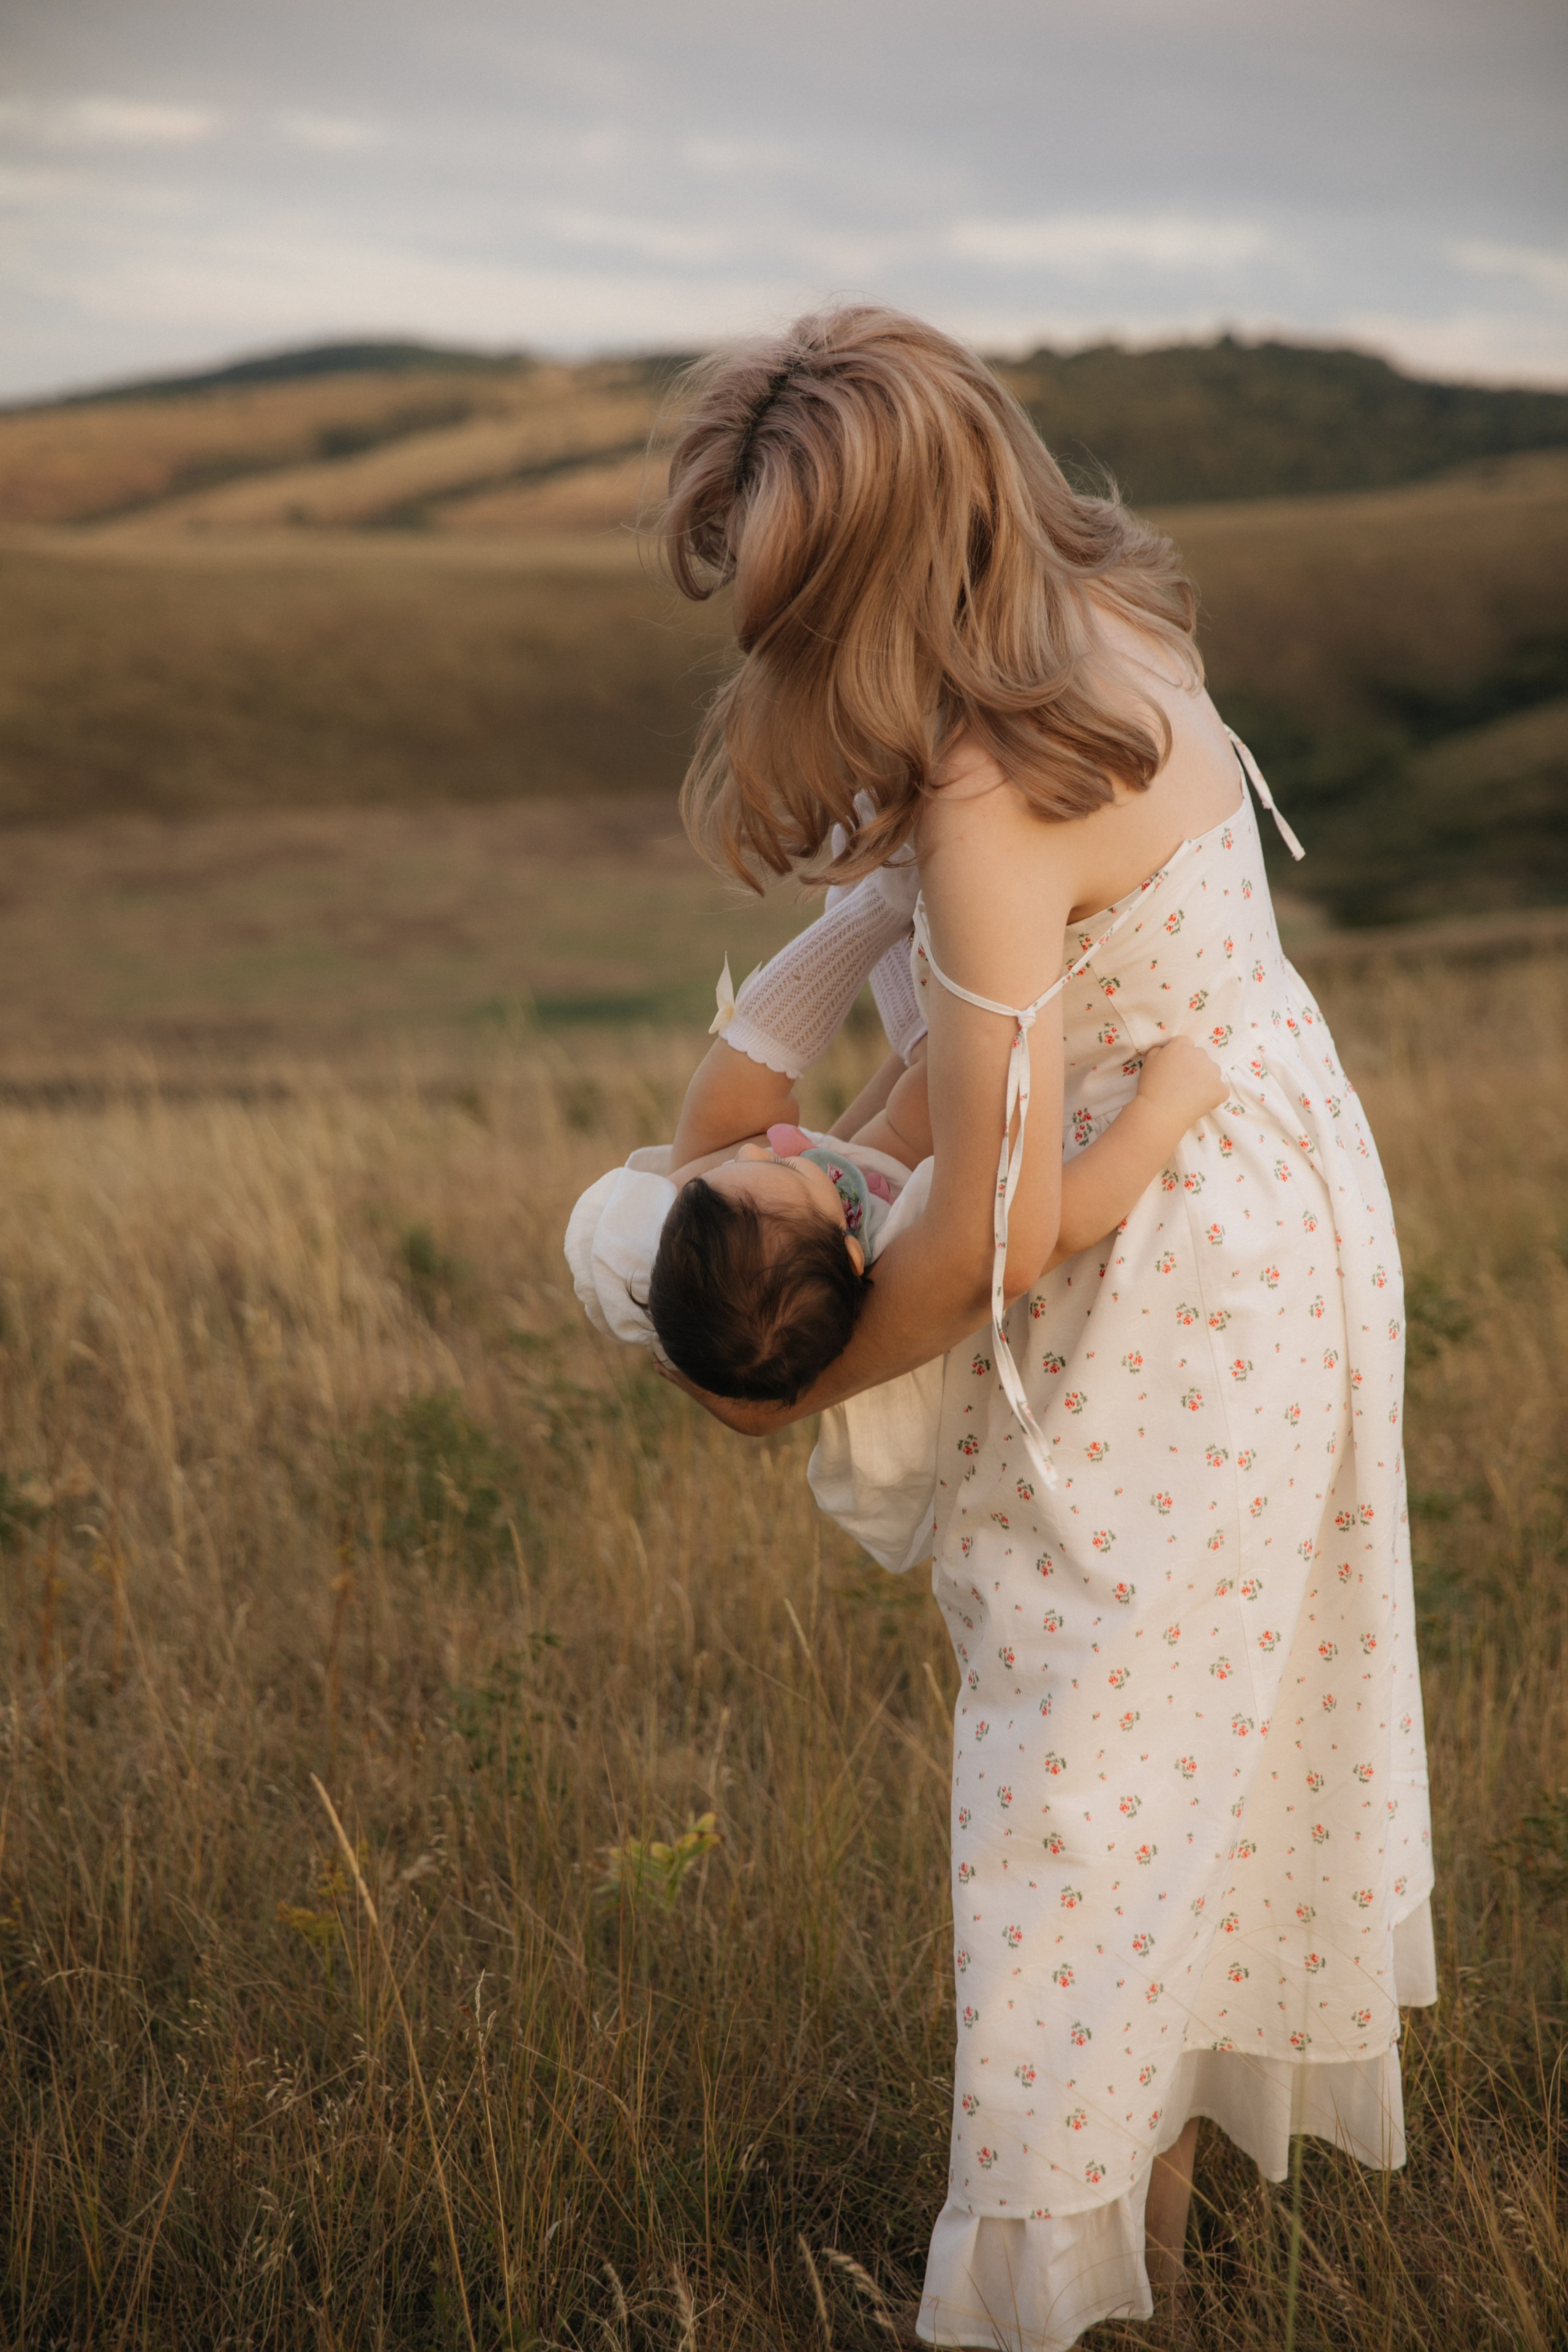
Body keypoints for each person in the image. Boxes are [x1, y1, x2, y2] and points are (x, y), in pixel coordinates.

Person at [649, 305, 1434, 2351]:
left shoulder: (998, 797)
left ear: (890, 567)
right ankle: (1125, 2268)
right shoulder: (1105, 628)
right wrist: (845, 1105)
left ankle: (1037, 2291)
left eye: (797, 605)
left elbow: (995, 1227)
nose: (778, 652)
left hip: (1173, 1291)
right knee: (1162, 1775)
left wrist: (795, 1393)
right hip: (1271, 1204)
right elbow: (953, 1086)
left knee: (1072, 1810)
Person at [570, 856, 1229, 1410]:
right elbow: (1063, 1221)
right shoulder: (899, 1245)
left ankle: (876, 903)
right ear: (853, 1254)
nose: (755, 1149)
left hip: (911, 1100)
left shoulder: (727, 1229)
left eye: (734, 1169)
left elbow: (740, 1122)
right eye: (788, 1168)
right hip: (964, 1123)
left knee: (734, 1097)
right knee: (927, 1077)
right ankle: (889, 899)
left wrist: (875, 913)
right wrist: (1160, 1112)